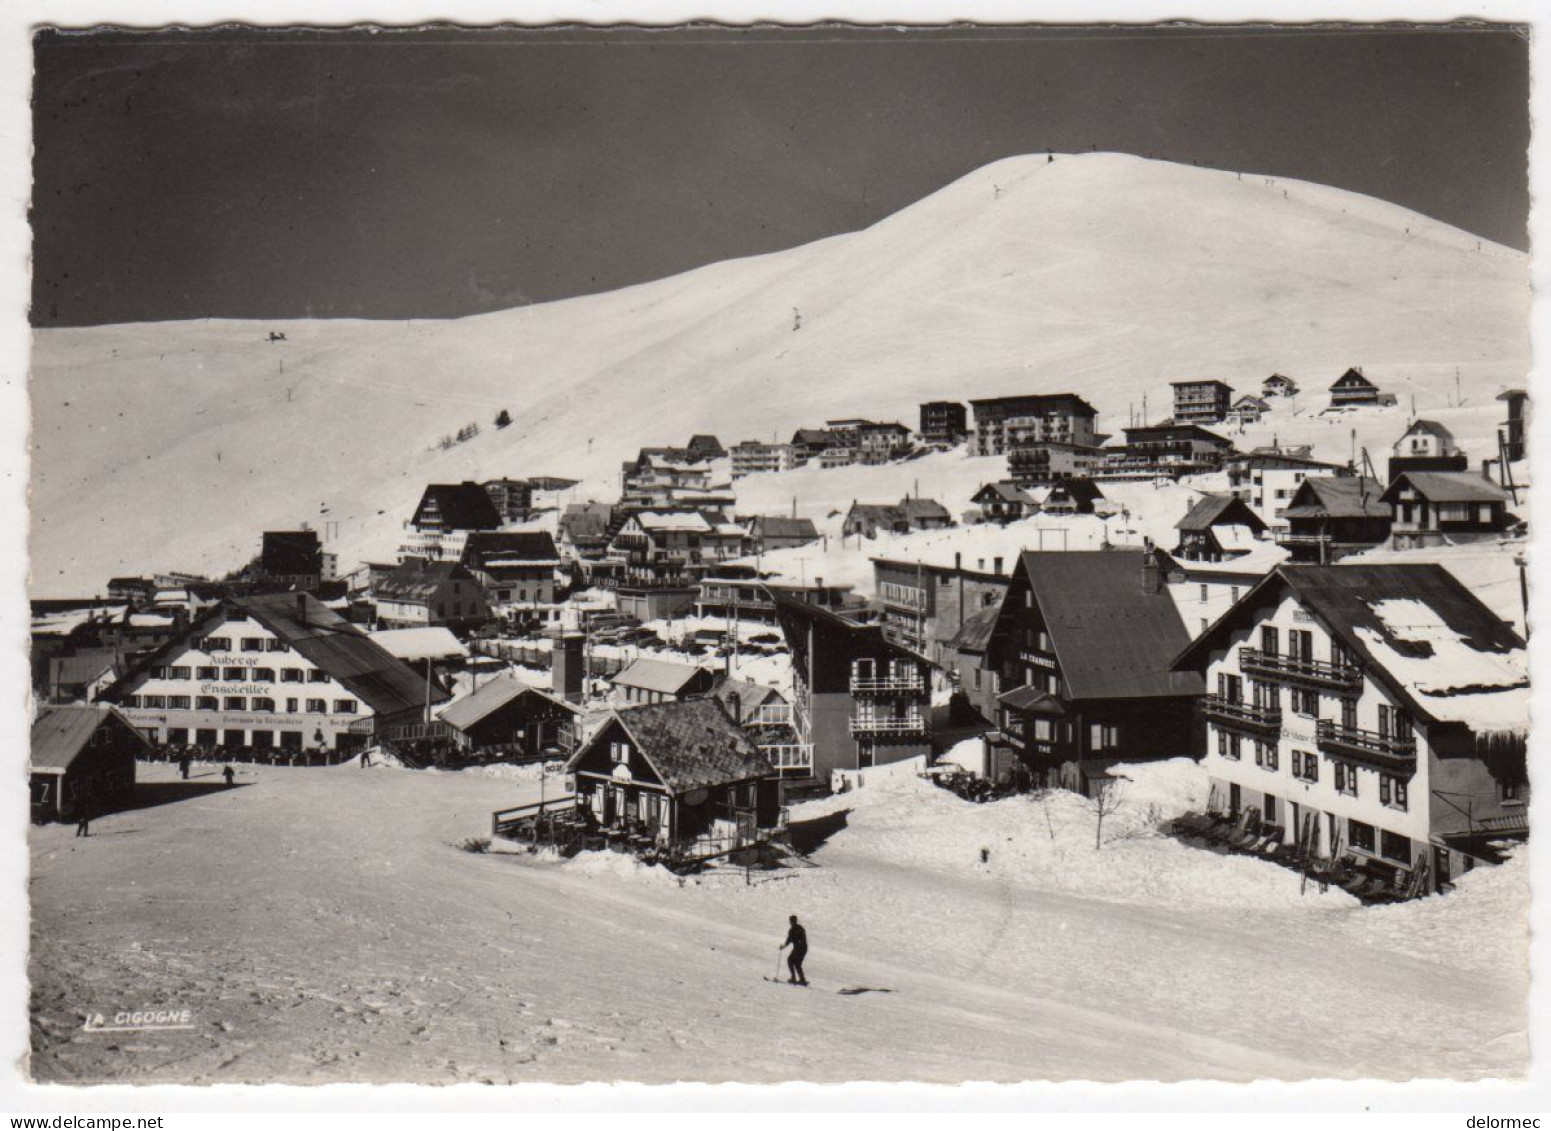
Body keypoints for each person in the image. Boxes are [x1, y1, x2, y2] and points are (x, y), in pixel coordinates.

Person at [779, 914, 808, 985]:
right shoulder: (799, 928)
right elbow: (789, 939)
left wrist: (784, 946)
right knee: (797, 964)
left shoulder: (794, 929)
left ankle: (794, 978)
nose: (791, 922)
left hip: (800, 948)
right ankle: (802, 979)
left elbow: (790, 939)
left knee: (790, 960)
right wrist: (784, 946)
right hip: (803, 948)